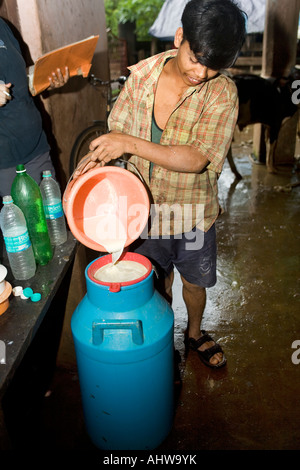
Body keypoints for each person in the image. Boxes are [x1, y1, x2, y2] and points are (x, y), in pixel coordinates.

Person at [74, 0, 246, 369]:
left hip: (192, 214)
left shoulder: (222, 93)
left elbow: (197, 158)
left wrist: (129, 144)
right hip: (144, 211)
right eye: (196, 58)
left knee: (195, 282)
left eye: (213, 66)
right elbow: (116, 131)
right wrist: (95, 162)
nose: (202, 72)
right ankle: (161, 336)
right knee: (157, 283)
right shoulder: (141, 77)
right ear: (180, 36)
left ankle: (195, 332)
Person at [0, 17, 69, 198]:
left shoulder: (3, 26)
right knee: (20, 223)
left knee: (52, 219)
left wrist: (47, 80)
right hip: (5, 161)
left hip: (36, 147)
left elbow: (19, 82)